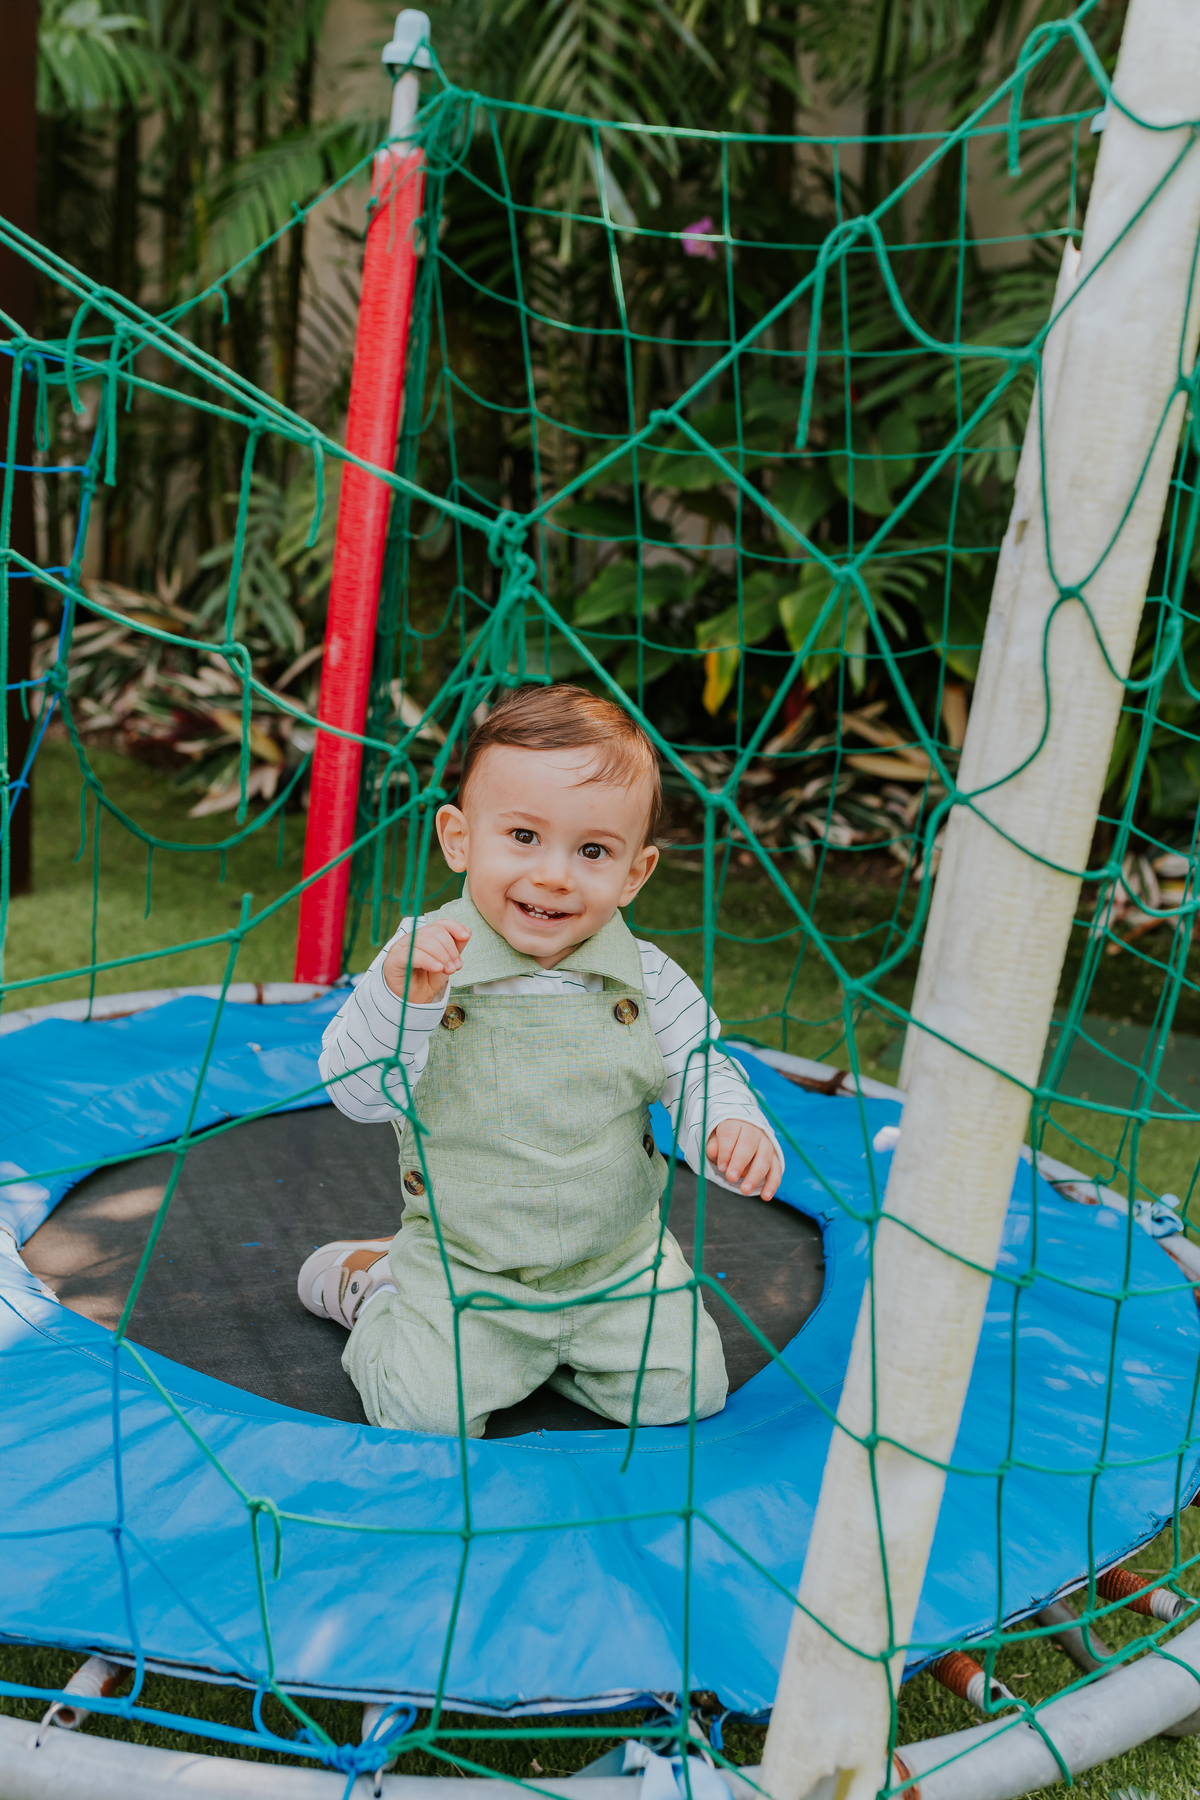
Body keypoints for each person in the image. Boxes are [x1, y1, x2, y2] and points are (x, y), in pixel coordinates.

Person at [303, 684, 784, 1437]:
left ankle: (556, 1352)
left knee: (685, 1394)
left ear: (635, 873)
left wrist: (729, 1127)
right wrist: (403, 1002)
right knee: (422, 1415)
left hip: (618, 1266)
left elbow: (701, 1070)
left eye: (593, 851)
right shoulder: (422, 962)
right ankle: (381, 1290)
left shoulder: (649, 979)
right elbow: (355, 1094)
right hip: (467, 1267)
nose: (555, 874)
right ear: (459, 839)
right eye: (524, 836)